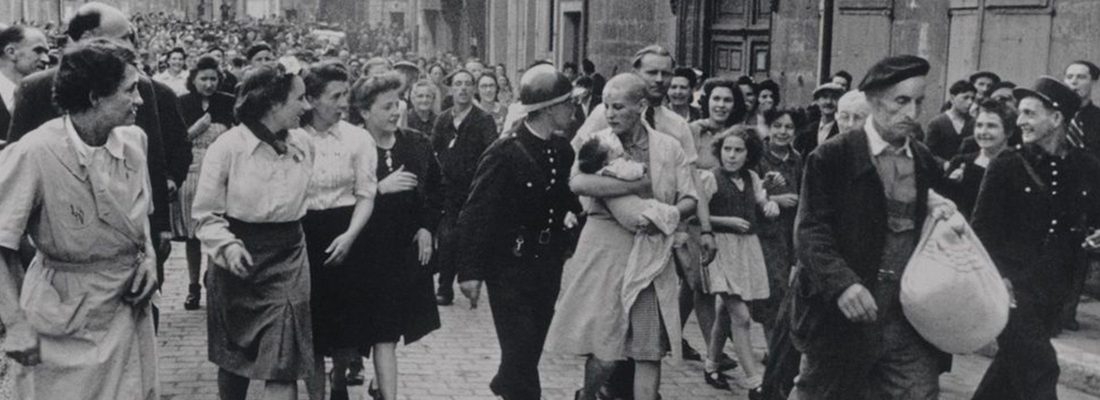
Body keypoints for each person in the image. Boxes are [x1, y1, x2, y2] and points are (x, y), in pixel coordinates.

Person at [7, 3, 191, 327]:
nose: (138, 101)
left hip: (128, 288)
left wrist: (153, 246)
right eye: (124, 37)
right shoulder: (35, 123)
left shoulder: (134, 137)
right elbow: (9, 216)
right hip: (62, 288)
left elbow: (150, 175)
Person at [789, 55, 957, 399]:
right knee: (822, 392)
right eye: (901, 101)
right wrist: (843, 285)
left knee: (919, 392)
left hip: (906, 316)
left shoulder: (924, 161)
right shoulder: (832, 157)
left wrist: (940, 214)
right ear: (874, 101)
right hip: (843, 314)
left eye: (919, 101)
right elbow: (810, 230)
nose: (912, 112)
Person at [0, 37, 159, 400]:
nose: (139, 100)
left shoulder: (134, 142)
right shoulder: (34, 152)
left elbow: (139, 215)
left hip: (126, 309)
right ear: (94, 96)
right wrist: (15, 323)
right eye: (129, 90)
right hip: (62, 319)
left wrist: (148, 256)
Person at [548, 73, 697, 400]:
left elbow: (690, 197)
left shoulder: (668, 147)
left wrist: (670, 215)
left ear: (641, 106)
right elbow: (578, 183)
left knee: (647, 348)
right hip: (605, 250)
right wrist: (636, 187)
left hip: (651, 254)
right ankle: (587, 396)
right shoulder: (599, 142)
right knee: (604, 349)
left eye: (619, 107)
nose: (611, 113)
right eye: (606, 106)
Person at [455, 63, 580, 400]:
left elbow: (567, 200)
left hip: (547, 264)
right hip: (508, 267)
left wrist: (570, 225)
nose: (574, 110)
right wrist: (469, 272)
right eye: (568, 103)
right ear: (549, 108)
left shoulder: (561, 150)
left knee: (530, 347)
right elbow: (475, 213)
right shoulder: (505, 152)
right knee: (521, 347)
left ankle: (506, 384)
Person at [971, 76, 1100, 400]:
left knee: (1012, 367)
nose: (1021, 121)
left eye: (1030, 113)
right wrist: (998, 277)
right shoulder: (1007, 164)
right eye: (1021, 113)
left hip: (1056, 290)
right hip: (1011, 289)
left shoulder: (1086, 166)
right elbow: (981, 230)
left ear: (1055, 119)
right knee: (1041, 366)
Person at [193, 64, 315, 400]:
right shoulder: (228, 148)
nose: (308, 107)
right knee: (234, 359)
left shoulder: (304, 143)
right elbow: (205, 214)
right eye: (300, 98)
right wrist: (228, 247)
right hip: (237, 260)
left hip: (288, 258)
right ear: (273, 103)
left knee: (283, 362)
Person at [291, 62, 378, 400]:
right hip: (304, 234)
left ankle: (339, 378)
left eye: (346, 95)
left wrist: (350, 236)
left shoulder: (358, 139)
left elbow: (366, 194)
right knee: (310, 325)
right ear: (311, 99)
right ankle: (317, 395)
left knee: (345, 327)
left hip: (347, 231)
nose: (344, 103)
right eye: (335, 96)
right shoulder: (294, 138)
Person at [173, 55, 236, 311]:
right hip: (192, 171)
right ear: (193, 79)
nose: (209, 84)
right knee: (193, 234)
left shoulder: (227, 103)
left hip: (221, 172)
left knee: (218, 229)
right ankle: (192, 286)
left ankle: (215, 282)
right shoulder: (182, 103)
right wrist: (196, 129)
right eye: (204, 79)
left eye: (213, 78)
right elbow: (176, 141)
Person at [432, 68, 499, 305]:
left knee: (467, 236)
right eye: (458, 84)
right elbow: (434, 151)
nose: (463, 88)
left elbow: (492, 154)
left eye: (468, 84)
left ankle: (469, 280)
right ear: (451, 89)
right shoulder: (443, 120)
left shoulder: (483, 120)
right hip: (448, 189)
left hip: (474, 190)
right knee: (447, 235)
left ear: (474, 89)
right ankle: (444, 286)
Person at [1062, 60, 1100, 332]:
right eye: (1070, 76)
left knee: (1078, 254)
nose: (1074, 82)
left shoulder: (1098, 120)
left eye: (1081, 77)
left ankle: (1066, 312)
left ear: (1093, 82)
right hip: (1054, 192)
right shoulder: (1056, 116)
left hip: (1087, 196)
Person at [941, 99, 1013, 219]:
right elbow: (943, 203)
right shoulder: (960, 162)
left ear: (1008, 132)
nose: (983, 132)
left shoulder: (1016, 165)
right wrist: (952, 184)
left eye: (991, 126)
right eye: (979, 125)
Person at [0, 25, 49, 143]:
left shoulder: (47, 96)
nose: (46, 59)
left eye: (47, 52)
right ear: (11, 52)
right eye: (38, 51)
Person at [925, 80, 976, 163]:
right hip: (941, 173)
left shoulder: (974, 123)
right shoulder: (937, 123)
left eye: (972, 98)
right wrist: (945, 164)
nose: (970, 102)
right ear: (952, 98)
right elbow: (928, 153)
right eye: (965, 97)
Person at [793, 82, 843, 156]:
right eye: (825, 97)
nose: (829, 101)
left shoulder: (842, 131)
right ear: (817, 101)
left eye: (834, 97)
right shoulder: (806, 131)